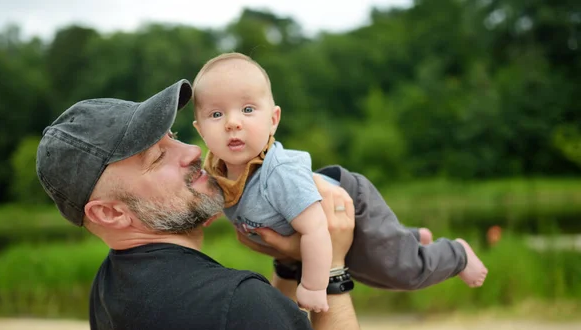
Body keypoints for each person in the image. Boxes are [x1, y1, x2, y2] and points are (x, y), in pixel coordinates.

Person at [36, 80, 370, 330]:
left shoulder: (110, 286)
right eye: (156, 157)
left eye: (174, 136)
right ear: (110, 214)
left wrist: (288, 262)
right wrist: (332, 265)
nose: (193, 151)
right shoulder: (237, 306)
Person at [191, 52, 488, 311]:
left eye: (247, 109)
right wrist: (209, 210)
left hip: (343, 204)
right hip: (309, 220)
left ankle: (456, 253)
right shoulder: (216, 168)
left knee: (399, 272)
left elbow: (317, 229)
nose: (233, 122)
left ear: (273, 119)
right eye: (216, 114)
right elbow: (225, 192)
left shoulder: (280, 175)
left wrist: (314, 286)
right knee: (373, 258)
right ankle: (409, 237)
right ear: (201, 130)